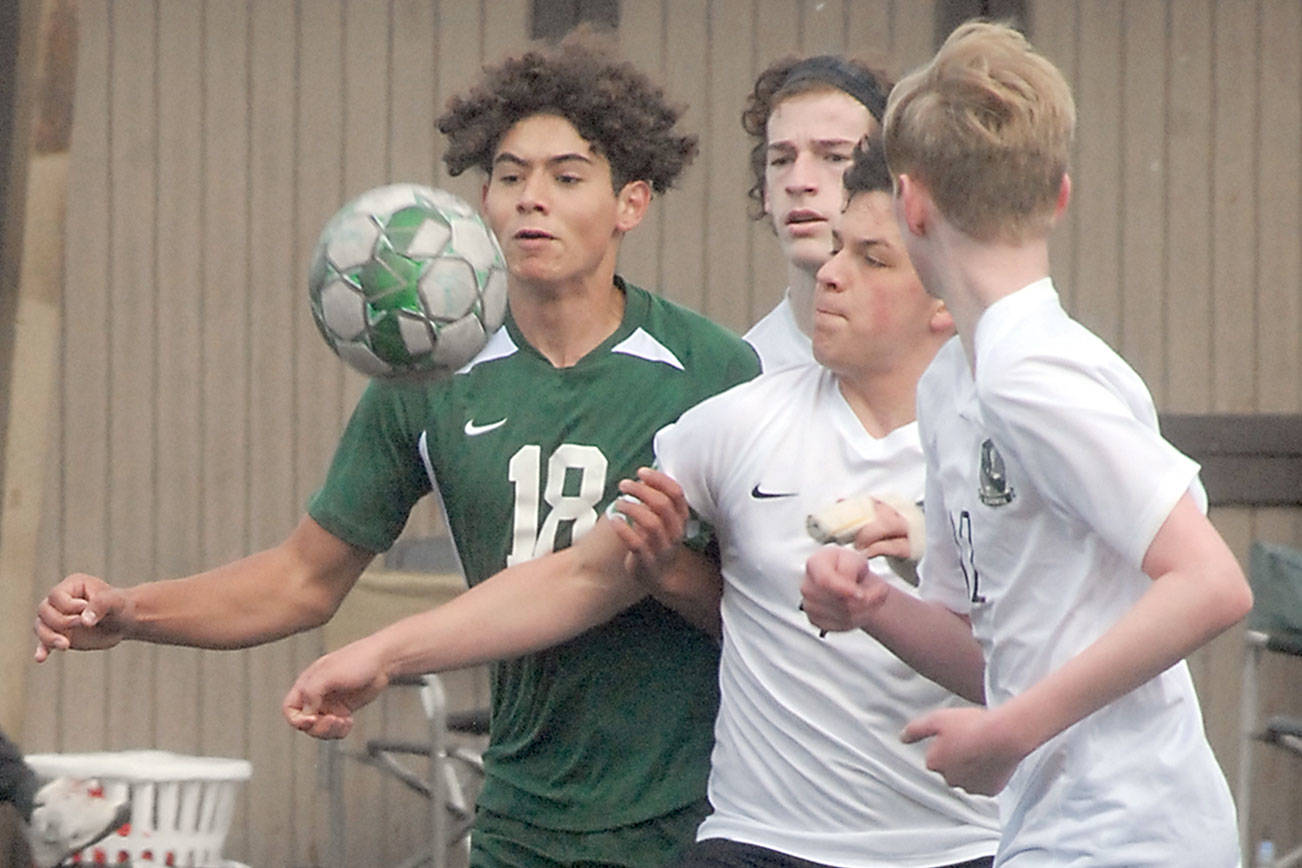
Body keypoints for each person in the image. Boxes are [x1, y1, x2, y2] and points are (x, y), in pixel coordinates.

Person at [34, 29, 759, 867]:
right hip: (521, 817)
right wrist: (130, 612)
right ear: (480, 202)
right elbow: (303, 579)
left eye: (567, 178)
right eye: (511, 176)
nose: (533, 199)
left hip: (693, 817)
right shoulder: (429, 374)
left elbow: (759, 614)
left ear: (631, 202)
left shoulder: (711, 369)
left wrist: (666, 570)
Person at [285, 138, 1001, 868]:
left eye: (871, 259)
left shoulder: (1003, 447)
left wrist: (911, 566)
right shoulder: (735, 422)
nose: (831, 274)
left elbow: (1048, 649)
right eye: (837, 249)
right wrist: (382, 653)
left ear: (947, 297)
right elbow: (583, 575)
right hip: (760, 843)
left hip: (958, 846)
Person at [802, 21, 1252, 866]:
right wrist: (875, 607)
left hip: (1131, 835)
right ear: (1061, 195)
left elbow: (1212, 584)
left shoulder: (1031, 376)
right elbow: (1004, 662)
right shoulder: (953, 384)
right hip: (1052, 828)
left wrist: (1008, 733)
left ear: (913, 203)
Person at [740, 55, 888, 371]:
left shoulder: (956, 370)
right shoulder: (743, 374)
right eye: (781, 160)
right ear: (765, 191)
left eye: (834, 157)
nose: (799, 183)